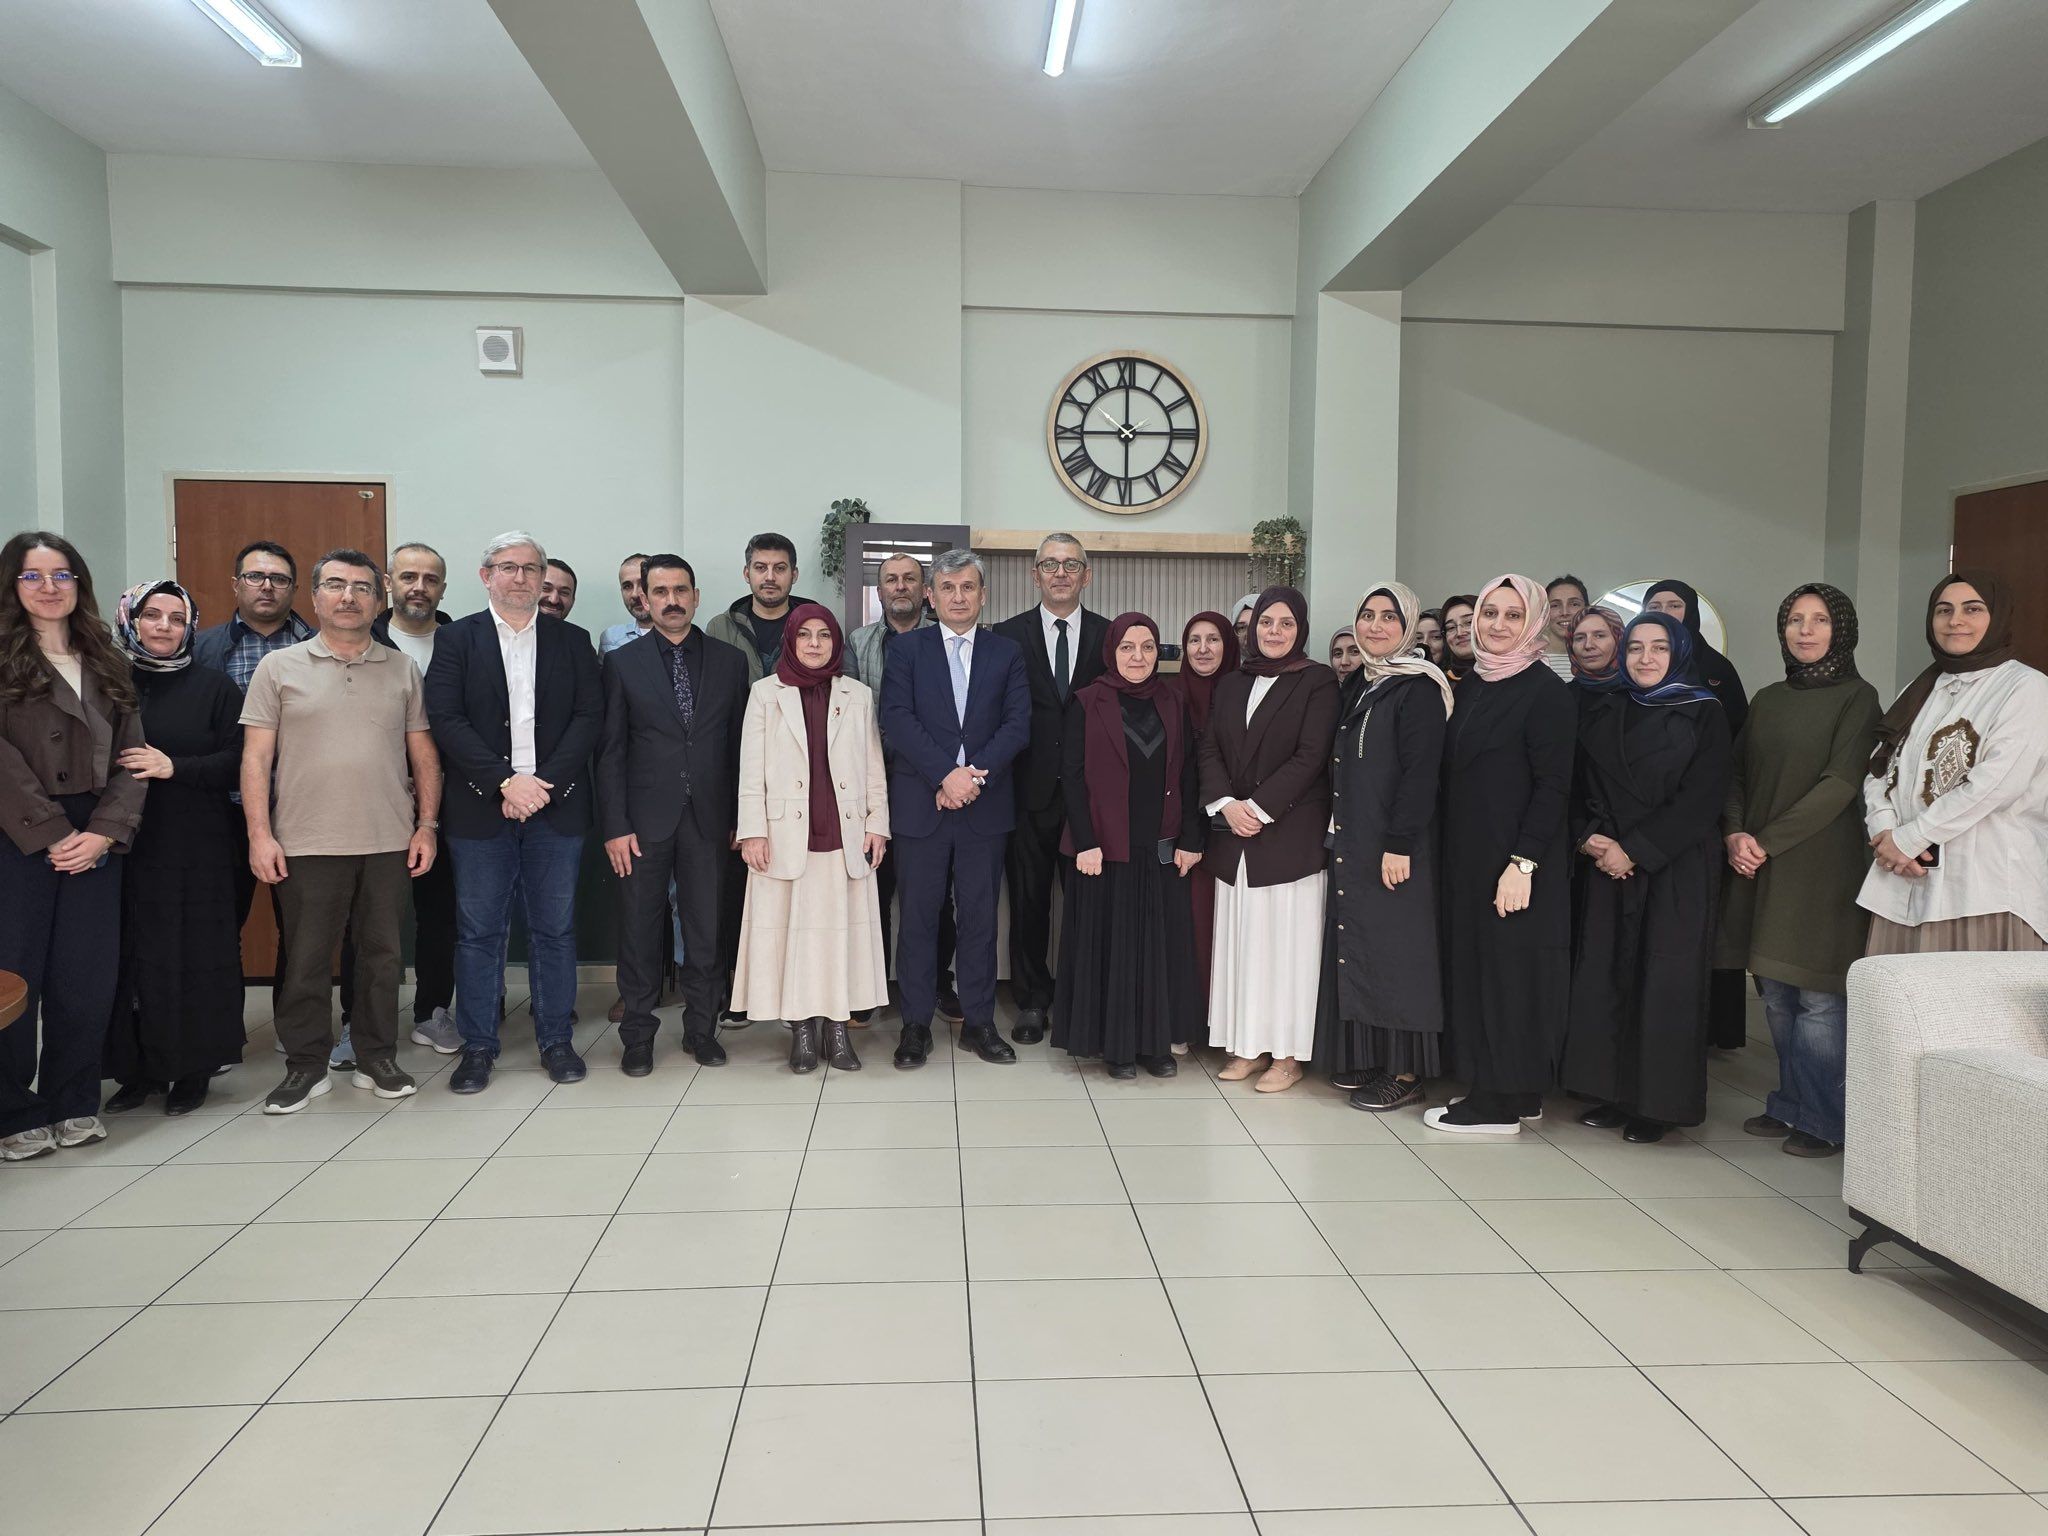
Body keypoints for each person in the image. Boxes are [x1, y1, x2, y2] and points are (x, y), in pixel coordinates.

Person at [241, 549, 441, 1114]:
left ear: (379, 601)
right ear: (314, 597)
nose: (348, 597)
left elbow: (423, 754)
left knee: (382, 958)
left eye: (361, 588)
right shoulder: (278, 668)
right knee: (306, 961)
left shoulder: (402, 669)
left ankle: (377, 1057)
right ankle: (306, 1066)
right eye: (335, 585)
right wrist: (260, 834)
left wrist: (427, 825)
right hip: (306, 841)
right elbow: (255, 759)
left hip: (388, 840)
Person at [425, 533, 602, 1095]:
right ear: (486, 576)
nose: (520, 577)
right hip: (482, 809)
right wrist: (505, 781)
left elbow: (588, 717)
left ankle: (556, 1040)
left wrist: (539, 786)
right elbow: (445, 718)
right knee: (480, 933)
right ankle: (478, 1046)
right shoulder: (456, 639)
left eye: (530, 568)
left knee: (555, 930)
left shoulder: (572, 640)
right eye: (508, 567)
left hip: (555, 806)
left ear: (543, 577)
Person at [1719, 583, 1880, 1158]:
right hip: (1760, 864)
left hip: (1822, 869)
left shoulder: (1859, 698)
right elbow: (1735, 773)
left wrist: (1762, 841)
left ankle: (1825, 1119)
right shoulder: (1767, 699)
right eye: (1794, 619)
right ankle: (1790, 1103)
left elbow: (1840, 785)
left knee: (1819, 999)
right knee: (1776, 994)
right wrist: (1734, 831)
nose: (1805, 630)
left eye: (1819, 620)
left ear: (1842, 630)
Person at [1562, 611, 1732, 1143]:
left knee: (1664, 983)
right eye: (1635, 647)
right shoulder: (1608, 705)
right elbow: (1575, 784)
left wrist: (1636, 850)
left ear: (1679, 652)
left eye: (1659, 647)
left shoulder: (1704, 711)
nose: (1646, 658)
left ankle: (1656, 1106)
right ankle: (1609, 1091)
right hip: (1607, 861)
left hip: (1673, 866)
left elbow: (1703, 797)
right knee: (1607, 976)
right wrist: (1588, 837)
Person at [0, 533, 144, 1159]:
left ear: (79, 583)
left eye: (62, 575)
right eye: (32, 576)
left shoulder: (105, 656)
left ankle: (74, 1099)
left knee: (85, 975)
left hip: (96, 831)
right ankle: (12, 1109)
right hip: (18, 830)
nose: (49, 588)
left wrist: (105, 831)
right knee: (14, 974)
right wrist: (56, 833)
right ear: (11, 585)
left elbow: (134, 754)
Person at [1424, 575, 1575, 1135]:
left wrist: (1523, 863)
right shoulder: (1475, 684)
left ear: (1533, 622)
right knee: (1485, 973)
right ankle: (1514, 1088)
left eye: (1513, 615)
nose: (1498, 625)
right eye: (1490, 613)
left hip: (1517, 865)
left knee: (1512, 979)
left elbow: (1554, 787)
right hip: (1472, 859)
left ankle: (1496, 1104)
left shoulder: (1546, 692)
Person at [599, 555, 752, 1071]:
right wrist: (615, 826)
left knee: (705, 929)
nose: (672, 600)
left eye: (681, 590)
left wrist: (742, 817)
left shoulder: (730, 663)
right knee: (640, 931)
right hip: (642, 823)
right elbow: (610, 751)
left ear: (696, 596)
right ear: (644, 598)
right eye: (660, 591)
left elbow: (740, 748)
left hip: (711, 819)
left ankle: (701, 1031)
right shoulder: (623, 664)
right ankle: (638, 1036)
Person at [879, 548, 1031, 1068]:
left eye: (968, 587)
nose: (958, 597)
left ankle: (980, 1023)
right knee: (918, 918)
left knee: (980, 920)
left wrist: (970, 779)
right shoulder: (906, 650)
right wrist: (946, 776)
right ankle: (915, 1025)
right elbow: (897, 718)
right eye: (947, 588)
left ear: (982, 595)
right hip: (921, 805)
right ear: (931, 596)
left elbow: (1017, 724)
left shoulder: (1006, 652)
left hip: (984, 808)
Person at [103, 580, 246, 1117]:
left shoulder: (214, 687)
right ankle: (135, 1070)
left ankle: (192, 1069)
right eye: (152, 615)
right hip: (118, 842)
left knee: (195, 953)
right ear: (129, 620)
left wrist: (173, 767)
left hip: (195, 843)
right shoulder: (105, 683)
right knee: (128, 955)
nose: (164, 626)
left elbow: (239, 760)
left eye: (177, 618)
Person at [1314, 583, 1455, 1110]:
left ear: (1408, 625)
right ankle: (1374, 1057)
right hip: (1357, 836)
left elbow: (1421, 774)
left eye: (1388, 617)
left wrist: (1399, 843)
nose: (1375, 626)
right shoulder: (1362, 681)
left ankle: (1406, 1071)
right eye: (1367, 615)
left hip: (1396, 844)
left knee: (1400, 954)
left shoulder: (1418, 687)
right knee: (1364, 946)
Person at [733, 604, 889, 1072]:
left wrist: (877, 823)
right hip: (785, 837)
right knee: (791, 939)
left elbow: (874, 765)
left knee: (841, 939)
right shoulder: (766, 693)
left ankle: (837, 1029)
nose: (815, 644)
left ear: (836, 642)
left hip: (845, 834)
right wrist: (752, 831)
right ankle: (801, 1030)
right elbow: (750, 768)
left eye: (824, 635)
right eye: (805, 635)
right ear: (791, 641)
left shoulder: (857, 695)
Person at [1861, 571, 2048, 956]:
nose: (1955, 620)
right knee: (1898, 995)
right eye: (1943, 610)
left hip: (1984, 891)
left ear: (1998, 617)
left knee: (1976, 995)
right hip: (1903, 883)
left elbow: (1997, 784)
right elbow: (1880, 769)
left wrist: (1909, 840)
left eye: (1972, 609)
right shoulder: (1920, 689)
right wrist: (1885, 832)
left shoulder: (2026, 687)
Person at [1199, 586, 1341, 1093]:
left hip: (1288, 836)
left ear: (1300, 629)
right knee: (1244, 946)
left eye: (1285, 623)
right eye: (1265, 622)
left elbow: (1311, 755)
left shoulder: (1318, 681)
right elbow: (1209, 747)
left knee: (1286, 950)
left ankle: (1286, 1055)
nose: (1274, 631)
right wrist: (1226, 804)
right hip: (1235, 836)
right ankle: (1247, 1045)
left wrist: (1257, 809)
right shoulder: (1232, 682)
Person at [1054, 613, 1205, 1079]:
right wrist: (1085, 842)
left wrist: (1191, 838)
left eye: (1147, 647)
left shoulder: (1173, 700)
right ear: (1111, 652)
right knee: (1112, 946)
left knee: (1157, 949)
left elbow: (1189, 772)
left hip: (1160, 846)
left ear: (1158, 652)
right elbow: (1072, 777)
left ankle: (1154, 1045)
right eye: (1127, 648)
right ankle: (1116, 1049)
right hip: (1104, 848)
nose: (1137, 657)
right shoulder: (1087, 701)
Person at [993, 534, 1108, 1044]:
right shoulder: (1005, 635)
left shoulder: (1109, 637)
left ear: (1087, 575)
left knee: (1089, 906)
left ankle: (1083, 1001)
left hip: (1090, 798)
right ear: (1034, 575)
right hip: (1026, 792)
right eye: (1049, 564)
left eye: (1071, 565)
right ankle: (1033, 1001)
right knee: (1028, 904)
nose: (1060, 573)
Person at [193, 539, 314, 1019]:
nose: (267, 586)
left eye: (279, 579)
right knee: (219, 924)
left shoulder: (319, 646)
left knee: (303, 929)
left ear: (294, 588)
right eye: (255, 576)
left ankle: (293, 1027)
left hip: (301, 808)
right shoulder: (201, 649)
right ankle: (222, 1030)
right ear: (235, 584)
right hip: (223, 808)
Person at [847, 552, 960, 1019]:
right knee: (872, 890)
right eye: (890, 579)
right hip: (871, 785)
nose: (900, 586)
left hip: (931, 783)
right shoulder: (858, 642)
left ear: (925, 590)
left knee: (934, 895)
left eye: (909, 579)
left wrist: (938, 771)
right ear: (879, 591)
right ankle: (871, 989)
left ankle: (938, 981)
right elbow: (848, 715)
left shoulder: (945, 640)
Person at [361, 542, 460, 1056]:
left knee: (440, 914)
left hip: (446, 803)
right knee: (367, 918)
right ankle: (357, 1024)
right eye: (408, 577)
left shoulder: (464, 641)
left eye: (430, 579)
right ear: (388, 583)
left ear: (443, 588)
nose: (419, 587)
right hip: (373, 799)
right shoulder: (362, 638)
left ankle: (432, 1012)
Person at [1645, 577, 1751, 1050]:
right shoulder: (1635, 683)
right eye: (1655, 605)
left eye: (1674, 605)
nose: (1665, 611)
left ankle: (1713, 1035)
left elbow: (1734, 745)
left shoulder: (1714, 673)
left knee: (1699, 941)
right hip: (1642, 836)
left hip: (1697, 825)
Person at [1177, 611, 1239, 1020]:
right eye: (1194, 640)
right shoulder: (1168, 695)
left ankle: (1228, 1021)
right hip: (1184, 834)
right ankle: (1189, 1018)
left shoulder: (1245, 693)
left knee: (1230, 930)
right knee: (1190, 925)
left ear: (1228, 645)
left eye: (1213, 639)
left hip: (1236, 829)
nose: (1203, 649)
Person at [708, 532, 819, 685]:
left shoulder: (819, 626)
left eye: (780, 568)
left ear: (794, 575)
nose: (770, 577)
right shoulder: (720, 628)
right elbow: (712, 688)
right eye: (760, 567)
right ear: (747, 574)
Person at [599, 553, 653, 656]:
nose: (635, 594)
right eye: (627, 586)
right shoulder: (610, 639)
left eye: (642, 584)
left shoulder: (680, 635)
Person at [1567, 606, 1628, 697]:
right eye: (1580, 638)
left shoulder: (1641, 695)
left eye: (1599, 636)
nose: (1588, 645)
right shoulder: (1563, 695)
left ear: (1618, 640)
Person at [1541, 575, 1589, 682]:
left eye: (1574, 604)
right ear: (1545, 612)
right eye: (1555, 605)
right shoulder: (1528, 662)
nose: (1564, 612)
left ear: (1587, 609)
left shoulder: (1598, 659)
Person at [1439, 593, 1477, 682]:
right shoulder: (1439, 683)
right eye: (1451, 627)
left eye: (1469, 622)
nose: (1460, 633)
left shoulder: (1507, 675)